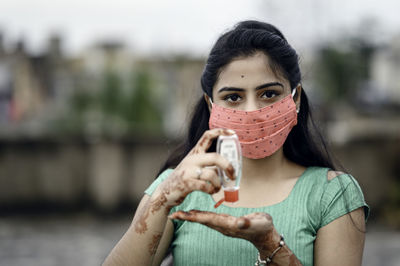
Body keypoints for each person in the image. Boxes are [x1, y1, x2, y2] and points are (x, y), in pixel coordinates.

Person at [103, 20, 369, 266]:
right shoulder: (178, 188)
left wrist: (271, 245)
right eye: (233, 97)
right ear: (211, 105)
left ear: (295, 98)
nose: (252, 111)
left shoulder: (332, 195)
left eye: (269, 94)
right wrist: (161, 201)